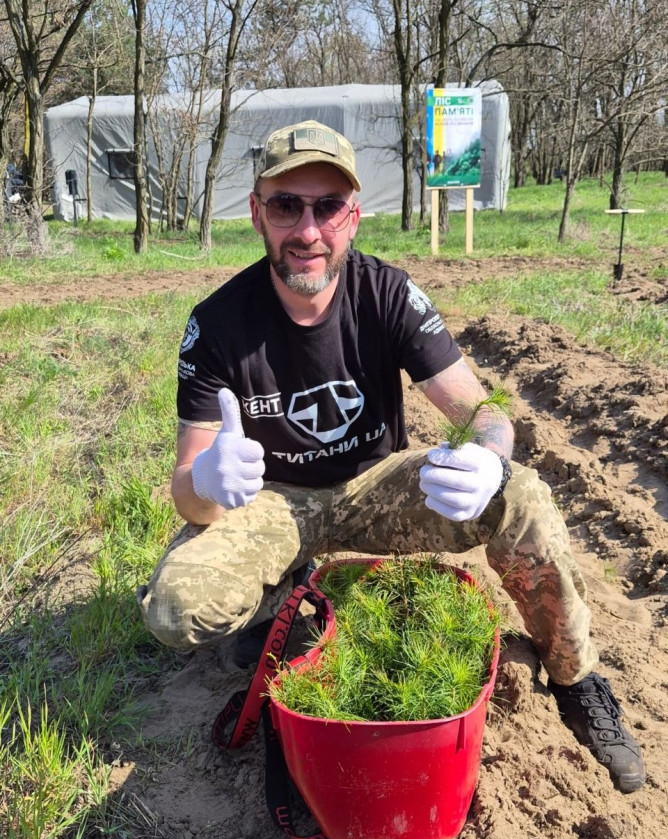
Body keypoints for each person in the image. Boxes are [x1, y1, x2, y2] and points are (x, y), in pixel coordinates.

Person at [138, 120, 645, 794]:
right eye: (287, 205)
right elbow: (186, 491)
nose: (308, 230)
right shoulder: (217, 324)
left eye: (327, 207)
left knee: (523, 495)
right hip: (276, 504)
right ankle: (281, 607)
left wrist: (491, 456)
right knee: (176, 607)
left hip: (374, 486)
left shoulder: (390, 294)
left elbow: (483, 410)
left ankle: (578, 679)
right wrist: (206, 480)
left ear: (353, 216)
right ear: (258, 212)